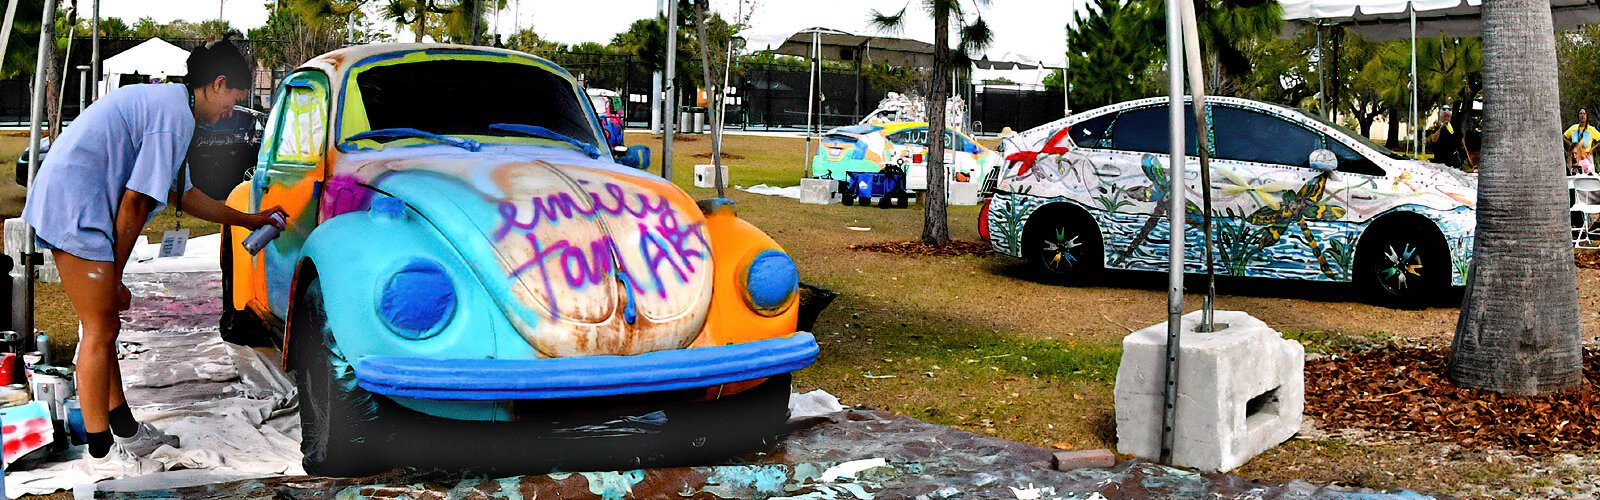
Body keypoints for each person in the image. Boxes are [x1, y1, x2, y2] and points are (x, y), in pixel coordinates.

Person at [20, 38, 285, 467]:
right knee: (99, 328)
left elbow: (184, 195)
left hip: (75, 202)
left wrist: (250, 220)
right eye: (234, 100)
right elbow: (135, 203)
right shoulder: (174, 116)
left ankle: (123, 426)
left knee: (105, 326)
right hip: (73, 207)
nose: (231, 112)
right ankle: (101, 449)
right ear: (218, 84)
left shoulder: (174, 108)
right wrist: (115, 277)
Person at [1565, 108, 1599, 175]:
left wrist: (1592, 149)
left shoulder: (1591, 129)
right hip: (1575, 156)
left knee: (1589, 173)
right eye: (1580, 113)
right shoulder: (1573, 128)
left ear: (1587, 116)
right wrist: (1572, 145)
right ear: (1578, 116)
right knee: (1574, 174)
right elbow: (1564, 136)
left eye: (1584, 113)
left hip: (1586, 155)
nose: (1582, 115)